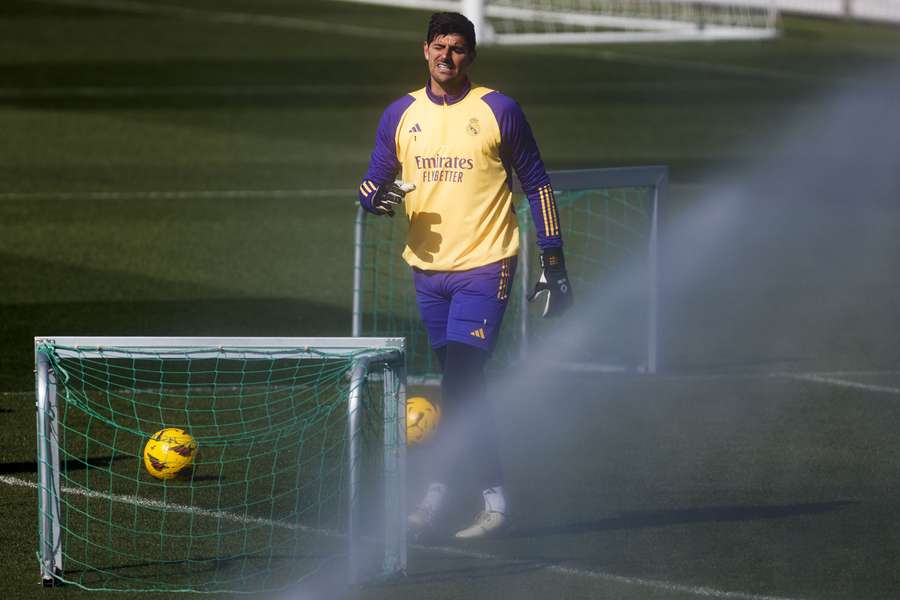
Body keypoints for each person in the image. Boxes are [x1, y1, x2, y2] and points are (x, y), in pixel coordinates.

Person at [358, 11, 572, 539]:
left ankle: (479, 496)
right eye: (438, 47)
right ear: (423, 50)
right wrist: (373, 200)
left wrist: (553, 262)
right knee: (460, 384)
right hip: (428, 273)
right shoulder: (401, 114)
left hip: (487, 263)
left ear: (470, 56)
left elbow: (539, 186)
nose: (445, 56)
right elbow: (371, 184)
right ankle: (457, 490)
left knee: (461, 381)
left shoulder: (499, 110)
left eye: (456, 48)